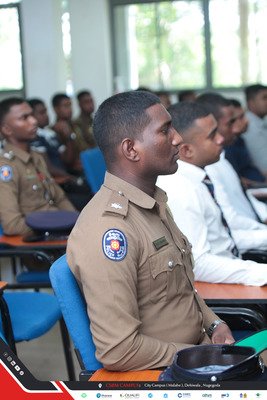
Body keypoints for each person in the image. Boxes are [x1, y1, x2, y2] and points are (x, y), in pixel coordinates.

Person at [67, 90, 234, 372]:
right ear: (131, 149)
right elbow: (119, 350)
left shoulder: (152, 202)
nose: (178, 139)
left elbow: (181, 290)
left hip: (200, 353)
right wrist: (200, 355)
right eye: (165, 130)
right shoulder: (109, 229)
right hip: (172, 373)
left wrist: (214, 322)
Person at [157, 101, 267, 286]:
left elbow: (224, 239)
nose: (221, 139)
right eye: (212, 136)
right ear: (187, 150)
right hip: (218, 289)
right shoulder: (180, 189)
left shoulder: (198, 178)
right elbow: (198, 263)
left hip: (231, 270)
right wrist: (259, 272)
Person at [0, 97, 76, 236]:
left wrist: (78, 223)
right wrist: (60, 227)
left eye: (32, 115)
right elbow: (12, 225)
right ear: (6, 129)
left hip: (60, 231)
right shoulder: (6, 168)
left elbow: (59, 198)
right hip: (41, 242)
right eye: (24, 118)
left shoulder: (36, 156)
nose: (34, 121)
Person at [196, 92, 267, 223]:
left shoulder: (222, 156)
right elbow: (232, 223)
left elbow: (244, 201)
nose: (235, 129)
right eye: (230, 123)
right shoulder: (211, 165)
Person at [28, 98, 92, 211]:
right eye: (42, 113)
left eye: (46, 111)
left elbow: (67, 160)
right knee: (87, 197)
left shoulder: (50, 134)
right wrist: (72, 178)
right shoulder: (35, 137)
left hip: (65, 175)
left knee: (89, 189)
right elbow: (48, 167)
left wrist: (68, 137)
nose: (46, 115)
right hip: (57, 181)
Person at [224, 98, 267, 186]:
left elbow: (251, 169)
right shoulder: (227, 146)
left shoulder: (240, 140)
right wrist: (261, 185)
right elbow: (237, 181)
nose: (247, 121)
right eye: (240, 118)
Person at [243, 84, 267, 175]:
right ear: (251, 103)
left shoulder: (261, 121)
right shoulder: (249, 126)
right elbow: (263, 164)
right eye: (264, 98)